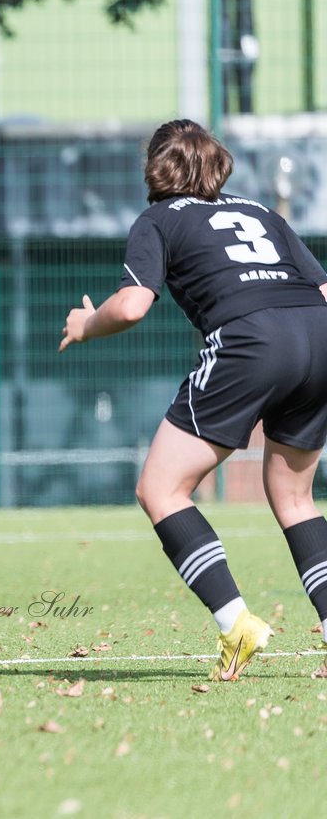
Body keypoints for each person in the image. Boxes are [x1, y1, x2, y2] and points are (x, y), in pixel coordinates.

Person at [60, 118, 327, 681]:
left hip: (251, 339)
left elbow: (132, 306)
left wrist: (85, 324)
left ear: (154, 168)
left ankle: (236, 624)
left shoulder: (157, 219)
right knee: (295, 497)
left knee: (160, 488)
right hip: (319, 335)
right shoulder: (260, 212)